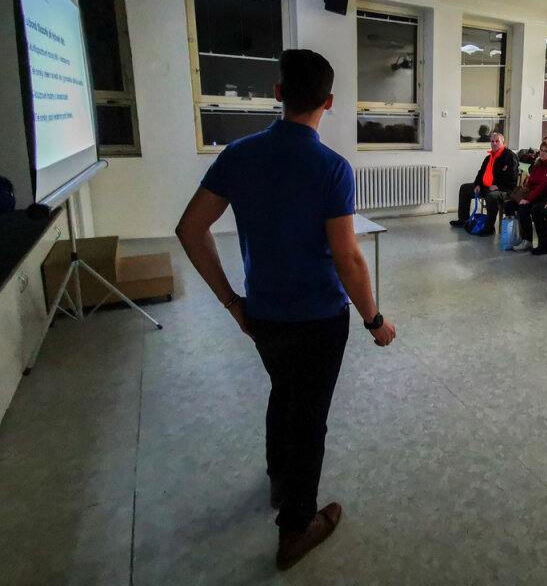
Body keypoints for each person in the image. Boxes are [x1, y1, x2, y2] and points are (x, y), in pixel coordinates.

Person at [175, 49, 396, 571]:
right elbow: (347, 257)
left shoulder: (239, 154)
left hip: (264, 315)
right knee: (310, 419)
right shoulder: (332, 167)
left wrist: (232, 302)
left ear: (278, 94)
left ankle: (280, 480)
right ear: (329, 102)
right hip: (319, 319)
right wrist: (374, 320)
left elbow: (190, 229)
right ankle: (296, 528)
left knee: (284, 392)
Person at [451, 132, 520, 236]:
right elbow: (481, 173)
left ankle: (489, 228)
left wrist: (498, 186)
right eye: (492, 141)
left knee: (491, 196)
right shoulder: (489, 157)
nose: (494, 143)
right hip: (486, 186)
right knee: (465, 188)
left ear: (503, 143)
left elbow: (512, 177)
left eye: (497, 141)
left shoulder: (510, 156)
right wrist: (477, 184)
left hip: (504, 189)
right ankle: (463, 220)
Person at [507, 140, 547, 252]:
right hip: (534, 195)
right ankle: (514, 236)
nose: (542, 153)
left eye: (546, 151)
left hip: (546, 198)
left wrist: (528, 199)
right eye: (541, 150)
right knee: (509, 205)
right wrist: (525, 193)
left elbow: (542, 187)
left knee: (524, 208)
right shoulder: (538, 165)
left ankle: (528, 240)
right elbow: (531, 182)